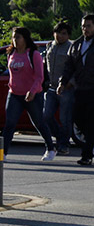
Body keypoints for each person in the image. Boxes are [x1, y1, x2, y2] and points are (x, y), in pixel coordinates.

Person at [59, 14, 94, 166]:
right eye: (83, 26)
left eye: (88, 26)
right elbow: (69, 66)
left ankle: (86, 155)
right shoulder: (76, 44)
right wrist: (62, 82)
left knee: (91, 121)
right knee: (78, 119)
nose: (85, 29)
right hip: (80, 89)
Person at [3, 26, 56, 160]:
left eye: (18, 37)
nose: (15, 40)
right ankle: (2, 154)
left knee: (38, 122)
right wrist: (11, 86)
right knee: (9, 124)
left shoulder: (33, 54)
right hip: (14, 94)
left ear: (25, 38)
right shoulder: (11, 54)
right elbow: (11, 75)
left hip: (32, 95)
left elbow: (40, 76)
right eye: (13, 37)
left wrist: (32, 91)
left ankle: (50, 148)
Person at [43, 22, 75, 155]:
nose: (60, 36)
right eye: (58, 33)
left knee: (65, 118)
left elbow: (77, 68)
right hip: (51, 87)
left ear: (68, 35)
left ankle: (64, 144)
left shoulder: (72, 48)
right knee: (46, 116)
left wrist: (70, 82)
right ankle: (60, 136)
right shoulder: (50, 45)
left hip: (66, 88)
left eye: (64, 33)